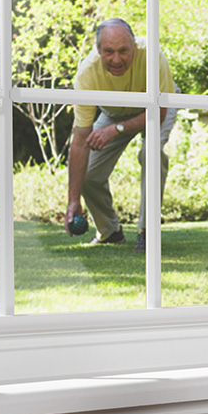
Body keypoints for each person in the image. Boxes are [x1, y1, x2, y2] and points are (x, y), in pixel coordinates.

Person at [64, 18, 177, 253]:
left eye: (123, 51)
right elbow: (80, 140)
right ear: (98, 50)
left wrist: (116, 129)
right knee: (86, 174)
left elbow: (160, 112)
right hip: (114, 111)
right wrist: (73, 200)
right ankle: (110, 232)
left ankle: (148, 233)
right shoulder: (87, 74)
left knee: (151, 153)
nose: (117, 59)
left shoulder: (152, 56)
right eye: (109, 52)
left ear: (133, 47)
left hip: (156, 108)